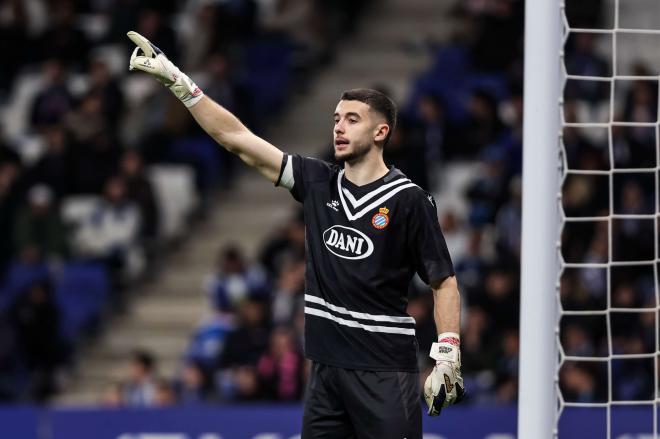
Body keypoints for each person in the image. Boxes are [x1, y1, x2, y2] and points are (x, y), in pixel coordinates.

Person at [127, 31, 464, 438]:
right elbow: (237, 139)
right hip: (325, 373)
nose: (339, 127)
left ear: (381, 133)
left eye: (352, 120)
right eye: (336, 118)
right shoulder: (318, 181)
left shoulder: (408, 199)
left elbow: (443, 280)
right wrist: (180, 82)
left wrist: (447, 354)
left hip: (383, 372)